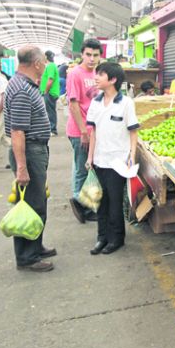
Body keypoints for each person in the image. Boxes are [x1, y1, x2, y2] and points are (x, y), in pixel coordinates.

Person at [4, 45, 56, 272]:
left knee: (37, 201)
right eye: (43, 62)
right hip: (29, 152)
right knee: (32, 204)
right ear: (36, 63)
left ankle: (35, 245)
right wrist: (22, 168)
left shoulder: (23, 84)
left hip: (36, 150)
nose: (45, 66)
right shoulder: (22, 90)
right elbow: (17, 132)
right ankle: (27, 257)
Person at [85, 63, 139, 254]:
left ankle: (116, 239)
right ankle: (102, 238)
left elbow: (133, 132)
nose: (96, 77)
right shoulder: (96, 102)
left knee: (115, 202)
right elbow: (93, 132)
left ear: (113, 80)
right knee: (100, 201)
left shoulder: (126, 103)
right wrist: (89, 157)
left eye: (101, 74)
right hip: (99, 159)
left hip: (118, 162)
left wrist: (131, 157)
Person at [67, 39, 102, 223]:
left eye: (95, 55)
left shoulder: (97, 73)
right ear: (82, 54)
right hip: (80, 130)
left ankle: (83, 202)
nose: (91, 58)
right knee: (82, 168)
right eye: (88, 54)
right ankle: (81, 207)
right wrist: (83, 132)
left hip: (93, 130)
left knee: (84, 166)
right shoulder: (75, 74)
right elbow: (73, 104)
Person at [40, 50, 61, 135]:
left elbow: (50, 79)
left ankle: (52, 129)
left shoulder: (50, 66)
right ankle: (51, 128)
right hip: (50, 92)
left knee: (50, 111)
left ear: (45, 56)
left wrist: (46, 91)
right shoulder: (50, 66)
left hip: (50, 92)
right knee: (50, 111)